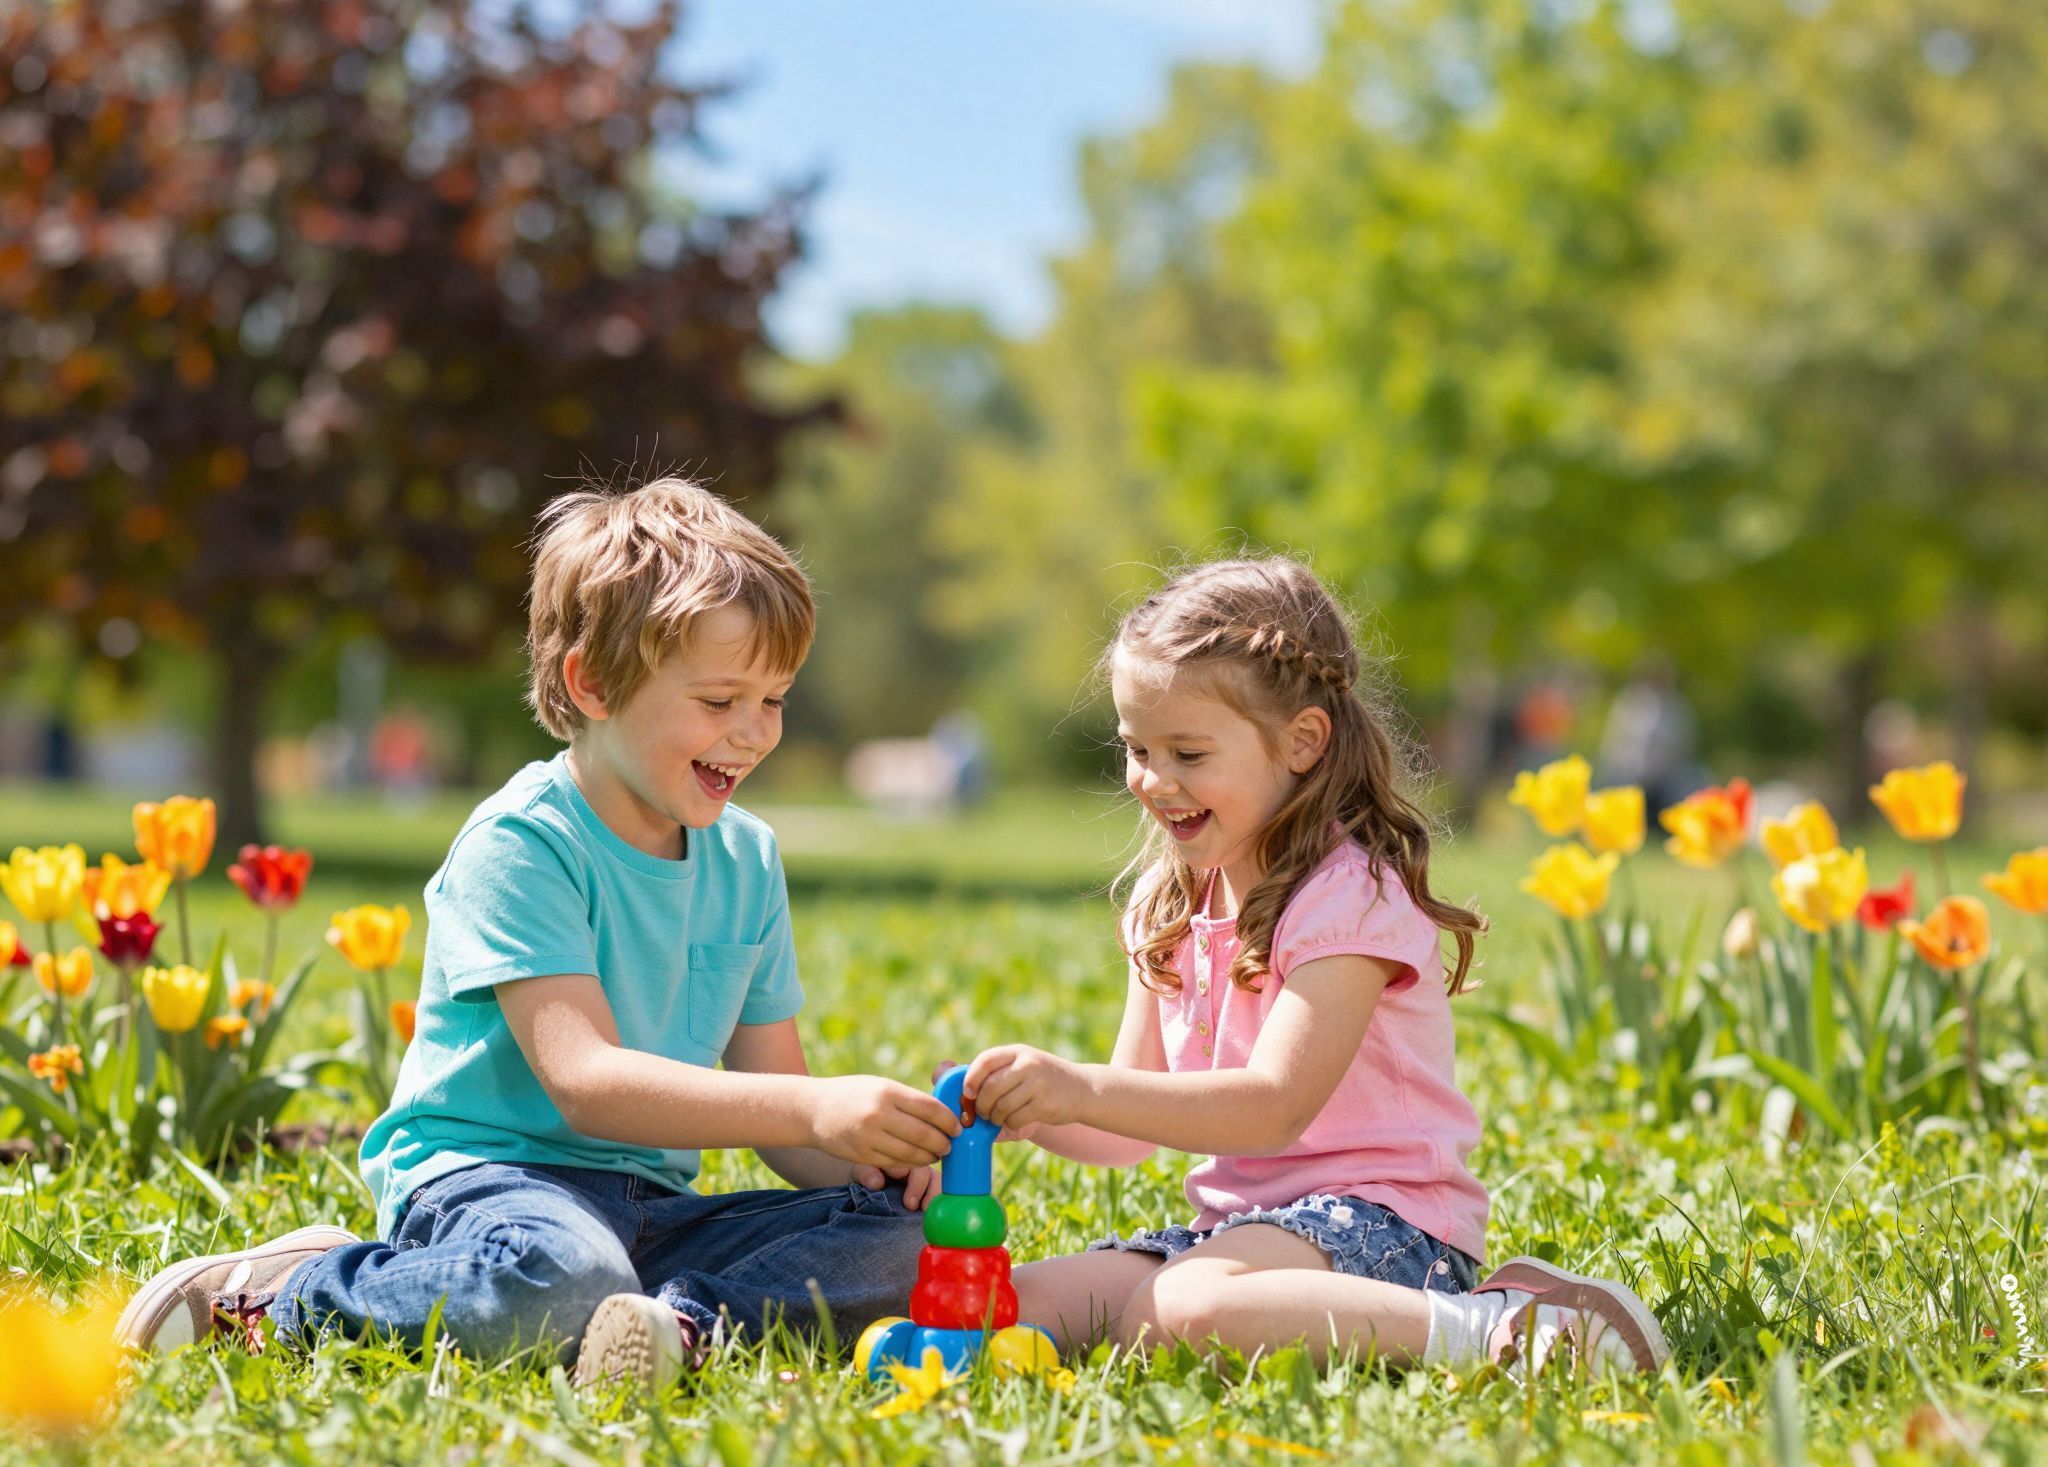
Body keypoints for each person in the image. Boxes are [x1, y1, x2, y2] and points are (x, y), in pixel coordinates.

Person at [116, 478, 960, 1391]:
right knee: (564, 1276)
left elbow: (785, 1114)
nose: (754, 734)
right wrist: (812, 1109)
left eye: (775, 700)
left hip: (651, 1213)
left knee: (912, 1244)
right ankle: (290, 1291)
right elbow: (586, 1083)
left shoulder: (745, 860)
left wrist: (874, 1158)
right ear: (592, 683)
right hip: (490, 1183)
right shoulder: (523, 841)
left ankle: (677, 1325)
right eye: (721, 701)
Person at [963, 558, 1669, 1378]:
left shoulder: (1350, 897)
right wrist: (1018, 1108)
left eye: (1188, 753)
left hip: (1388, 1228)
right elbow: (1120, 1131)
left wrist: (1080, 1088)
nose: (1153, 781)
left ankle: (1504, 1329)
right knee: (1005, 1305)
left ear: (1301, 743)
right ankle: (1245, 1300)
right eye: (1137, 748)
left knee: (1178, 1316)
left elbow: (1271, 1109)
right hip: (1239, 1232)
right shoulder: (1169, 903)